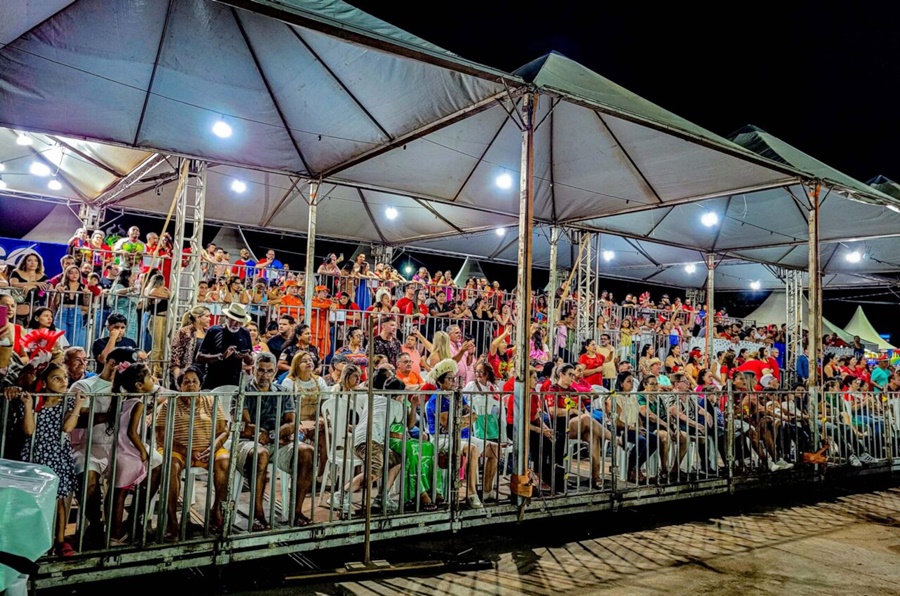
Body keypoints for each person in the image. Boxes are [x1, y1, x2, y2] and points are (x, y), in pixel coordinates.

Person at [70, 347, 143, 546]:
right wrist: (110, 416)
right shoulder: (84, 385)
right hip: (88, 445)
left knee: (158, 463)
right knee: (88, 475)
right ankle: (95, 523)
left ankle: (133, 518)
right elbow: (77, 419)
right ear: (112, 363)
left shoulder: (129, 388)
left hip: (122, 446)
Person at [238, 352, 315, 528]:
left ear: (274, 373)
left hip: (277, 441)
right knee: (261, 454)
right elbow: (245, 425)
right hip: (249, 443)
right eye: (260, 370)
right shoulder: (243, 391)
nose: (264, 375)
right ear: (254, 370)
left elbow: (292, 422)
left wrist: (272, 435)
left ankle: (296, 512)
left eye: (269, 371)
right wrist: (261, 434)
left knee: (306, 451)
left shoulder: (283, 392)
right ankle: (258, 514)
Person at [16, 362, 85, 556]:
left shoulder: (67, 403)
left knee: (59, 500)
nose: (64, 382)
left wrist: (78, 405)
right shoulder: (34, 402)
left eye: (65, 378)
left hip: (56, 455)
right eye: (57, 378)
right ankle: (33, 537)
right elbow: (29, 430)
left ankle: (60, 540)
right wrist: (28, 406)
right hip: (34, 455)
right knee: (33, 500)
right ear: (44, 383)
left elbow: (67, 428)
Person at [155, 366, 230, 536]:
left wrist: (214, 447)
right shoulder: (170, 404)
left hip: (208, 449)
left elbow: (224, 431)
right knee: (171, 466)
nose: (190, 385)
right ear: (179, 386)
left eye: (194, 381)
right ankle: (172, 519)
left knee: (225, 461)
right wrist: (186, 449)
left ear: (200, 385)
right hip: (179, 450)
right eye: (186, 382)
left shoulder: (211, 401)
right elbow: (160, 436)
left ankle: (216, 509)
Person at [331, 368, 408, 514]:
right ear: (399, 395)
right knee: (374, 471)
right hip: (369, 441)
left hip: (361, 440)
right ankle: (341, 495)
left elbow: (357, 390)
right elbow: (403, 423)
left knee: (396, 459)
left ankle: (382, 496)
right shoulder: (397, 406)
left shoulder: (371, 397)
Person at [424, 358, 486, 508]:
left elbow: (473, 414)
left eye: (454, 378)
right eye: (450, 379)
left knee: (494, 449)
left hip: (462, 435)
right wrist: (464, 420)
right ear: (440, 381)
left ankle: (488, 490)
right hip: (441, 439)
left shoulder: (458, 395)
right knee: (471, 448)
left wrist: (461, 421)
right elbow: (448, 425)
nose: (453, 382)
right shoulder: (436, 399)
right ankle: (471, 493)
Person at [279, 351, 329, 479]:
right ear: (296, 364)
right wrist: (298, 424)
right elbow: (286, 409)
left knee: (328, 438)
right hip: (296, 423)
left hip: (315, 422)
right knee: (297, 443)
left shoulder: (319, 381)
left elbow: (326, 404)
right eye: (304, 361)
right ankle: (296, 476)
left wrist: (321, 419)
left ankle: (320, 476)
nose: (309, 363)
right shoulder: (288, 382)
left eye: (310, 360)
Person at [196, 303, 254, 390]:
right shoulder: (214, 331)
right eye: (233, 320)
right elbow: (199, 357)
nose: (235, 324)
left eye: (239, 322)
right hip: (213, 381)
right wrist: (221, 356)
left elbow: (250, 361)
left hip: (235, 382)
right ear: (226, 318)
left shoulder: (245, 333)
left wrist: (245, 356)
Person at [169, 305, 211, 388]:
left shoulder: (208, 332)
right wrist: (178, 379)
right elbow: (175, 358)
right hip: (186, 374)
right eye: (207, 316)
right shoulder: (184, 332)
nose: (209, 319)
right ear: (198, 317)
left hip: (203, 375)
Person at [53, 264, 89, 348]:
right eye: (71, 273)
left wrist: (86, 294)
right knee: (59, 339)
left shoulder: (83, 287)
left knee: (73, 341)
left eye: (76, 273)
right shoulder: (61, 285)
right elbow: (56, 303)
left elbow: (86, 304)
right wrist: (58, 292)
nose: (74, 275)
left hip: (76, 313)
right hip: (62, 312)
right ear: (67, 274)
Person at [9, 251, 49, 324]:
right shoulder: (16, 272)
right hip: (19, 306)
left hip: (36, 308)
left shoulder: (43, 277)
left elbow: (48, 286)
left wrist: (32, 286)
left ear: (39, 264)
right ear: (25, 262)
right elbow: (14, 284)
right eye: (29, 260)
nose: (32, 263)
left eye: (35, 261)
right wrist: (35, 283)